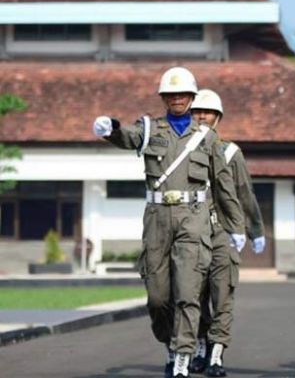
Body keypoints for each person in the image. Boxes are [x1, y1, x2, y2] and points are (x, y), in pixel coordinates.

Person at [92, 67, 245, 378]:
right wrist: (111, 129)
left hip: (194, 219)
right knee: (159, 298)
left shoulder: (207, 136)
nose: (177, 99)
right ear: (163, 98)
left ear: (192, 97)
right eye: (171, 94)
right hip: (157, 218)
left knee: (188, 293)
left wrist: (237, 227)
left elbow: (224, 185)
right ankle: (170, 342)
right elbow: (129, 137)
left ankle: (182, 359)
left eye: (183, 94)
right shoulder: (149, 129)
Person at [187, 89, 266, 377]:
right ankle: (198, 347)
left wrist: (254, 228)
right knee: (192, 295)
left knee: (222, 295)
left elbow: (245, 192)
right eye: (196, 112)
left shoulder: (230, 152)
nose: (201, 116)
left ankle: (217, 354)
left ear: (218, 118)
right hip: (190, 233)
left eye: (207, 112)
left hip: (222, 232)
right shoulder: (180, 150)